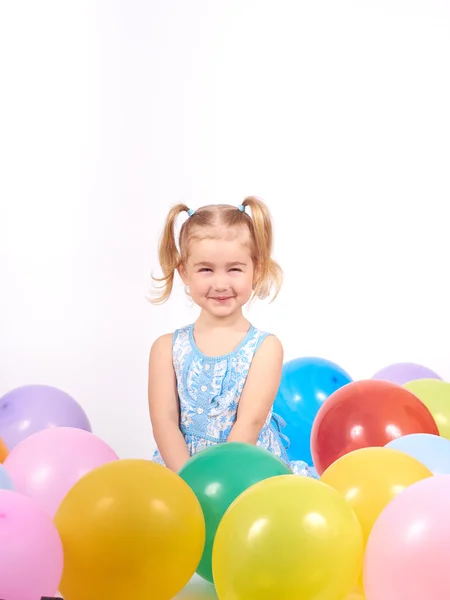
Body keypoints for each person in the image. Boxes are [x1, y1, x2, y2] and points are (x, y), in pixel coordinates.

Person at [147, 196, 317, 478]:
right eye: (206, 269)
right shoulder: (165, 348)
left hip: (244, 469)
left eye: (234, 269)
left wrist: (218, 483)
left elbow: (249, 423)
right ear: (184, 272)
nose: (221, 283)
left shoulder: (264, 348)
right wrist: (190, 481)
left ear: (256, 269)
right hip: (182, 470)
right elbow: (164, 422)